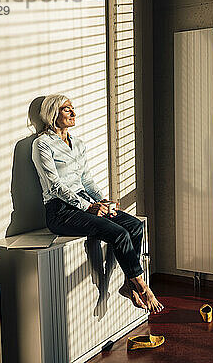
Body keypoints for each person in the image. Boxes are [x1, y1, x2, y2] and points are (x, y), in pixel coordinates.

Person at [31, 94, 163, 313]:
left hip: (85, 202)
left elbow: (86, 180)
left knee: (135, 226)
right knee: (119, 233)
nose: (73, 112)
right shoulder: (42, 144)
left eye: (73, 108)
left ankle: (127, 284)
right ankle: (141, 286)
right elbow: (54, 185)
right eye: (67, 109)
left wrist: (102, 201)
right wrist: (88, 207)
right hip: (60, 211)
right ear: (53, 114)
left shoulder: (78, 144)